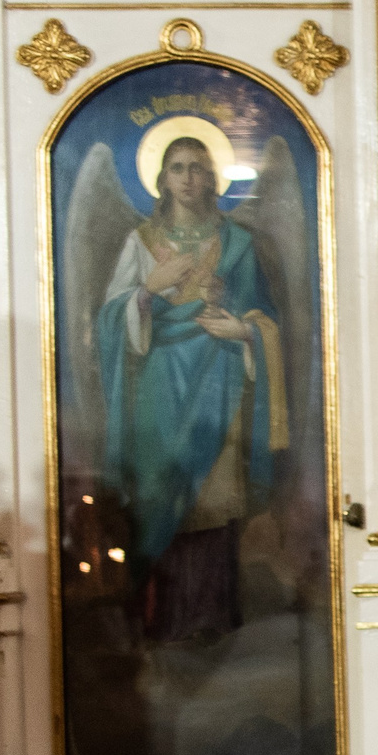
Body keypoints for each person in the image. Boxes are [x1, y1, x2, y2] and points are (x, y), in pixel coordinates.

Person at [93, 134, 288, 643]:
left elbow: (265, 315)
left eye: (198, 168)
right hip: (157, 387)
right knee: (160, 491)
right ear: (161, 178)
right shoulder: (140, 242)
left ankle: (209, 619)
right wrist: (148, 290)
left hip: (218, 379)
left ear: (213, 178)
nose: (187, 178)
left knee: (214, 498)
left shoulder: (237, 244)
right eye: (177, 167)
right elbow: (110, 320)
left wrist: (246, 331)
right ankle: (158, 620)